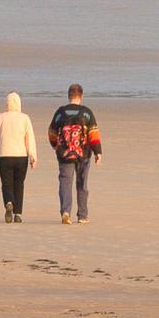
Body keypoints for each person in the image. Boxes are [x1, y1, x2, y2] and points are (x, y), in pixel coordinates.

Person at [49, 83, 102, 224]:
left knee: (65, 183)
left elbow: (52, 132)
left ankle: (66, 212)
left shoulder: (60, 113)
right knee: (82, 184)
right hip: (83, 154)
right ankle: (82, 216)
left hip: (64, 155)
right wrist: (98, 152)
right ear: (81, 96)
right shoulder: (86, 113)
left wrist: (55, 146)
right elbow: (93, 135)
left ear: (69, 96)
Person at [0, 91, 36, 222]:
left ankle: (9, 202)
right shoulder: (25, 118)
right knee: (19, 184)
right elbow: (30, 139)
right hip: (21, 156)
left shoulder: (1, 117)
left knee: (6, 183)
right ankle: (18, 214)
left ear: (7, 103)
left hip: (4, 155)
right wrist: (33, 156)